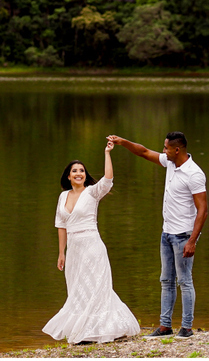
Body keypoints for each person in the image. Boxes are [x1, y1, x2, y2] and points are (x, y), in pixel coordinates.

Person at [107, 131, 207, 340]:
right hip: (167, 233)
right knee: (166, 280)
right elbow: (143, 152)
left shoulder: (194, 174)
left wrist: (192, 241)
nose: (163, 151)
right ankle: (165, 326)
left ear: (176, 149)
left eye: (166, 148)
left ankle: (186, 328)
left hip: (183, 236)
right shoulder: (170, 163)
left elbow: (203, 210)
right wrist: (122, 142)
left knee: (184, 281)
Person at [42, 139, 141, 345]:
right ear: (68, 176)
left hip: (92, 246)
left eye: (82, 171)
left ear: (85, 175)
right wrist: (62, 253)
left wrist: (107, 153)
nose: (79, 173)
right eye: (75, 171)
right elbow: (61, 225)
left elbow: (108, 179)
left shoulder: (92, 192)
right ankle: (83, 328)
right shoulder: (63, 197)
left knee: (96, 287)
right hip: (74, 250)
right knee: (78, 288)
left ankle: (96, 331)